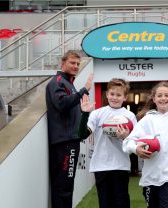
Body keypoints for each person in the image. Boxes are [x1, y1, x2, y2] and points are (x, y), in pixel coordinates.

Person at [78, 78, 137, 208]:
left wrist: (125, 137)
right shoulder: (97, 113)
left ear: (125, 97)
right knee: (105, 204)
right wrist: (85, 114)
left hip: (121, 166)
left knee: (121, 203)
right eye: (112, 94)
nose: (114, 97)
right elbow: (82, 135)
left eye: (118, 95)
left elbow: (135, 144)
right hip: (101, 166)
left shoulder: (130, 116)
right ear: (107, 94)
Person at [45, 50, 93, 208]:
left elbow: (71, 114)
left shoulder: (68, 84)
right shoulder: (58, 82)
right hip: (64, 143)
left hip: (69, 142)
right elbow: (62, 104)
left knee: (66, 186)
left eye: (78, 64)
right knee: (63, 188)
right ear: (62, 63)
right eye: (72, 63)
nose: (76, 66)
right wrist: (83, 90)